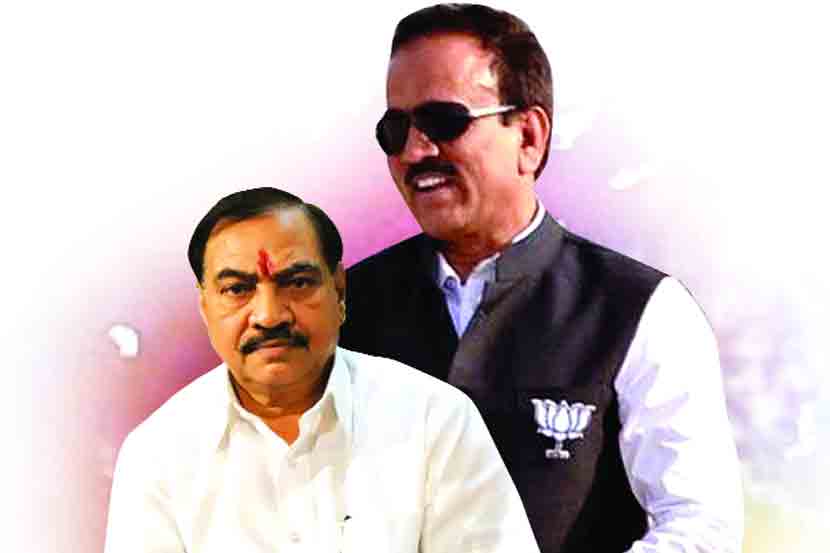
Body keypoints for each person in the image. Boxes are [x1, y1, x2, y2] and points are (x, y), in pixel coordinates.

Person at [340, 4, 744, 553]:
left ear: (528, 135)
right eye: (395, 129)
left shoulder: (639, 311)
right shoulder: (345, 310)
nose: (414, 151)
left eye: (444, 121)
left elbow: (698, 528)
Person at [104, 187, 540, 553]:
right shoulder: (158, 455)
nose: (269, 315)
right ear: (205, 307)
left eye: (297, 283)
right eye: (237, 289)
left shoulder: (433, 420)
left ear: (339, 291)